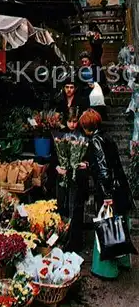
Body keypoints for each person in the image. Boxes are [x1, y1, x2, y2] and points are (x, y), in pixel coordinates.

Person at [79, 109, 134, 279]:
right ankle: (123, 261)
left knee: (106, 226)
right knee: (119, 224)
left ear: (87, 126)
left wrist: (107, 196)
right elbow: (109, 164)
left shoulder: (95, 140)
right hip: (120, 188)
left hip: (110, 190)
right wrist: (90, 166)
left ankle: (105, 270)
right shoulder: (107, 137)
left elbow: (104, 171)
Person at [54, 107, 88, 252]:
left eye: (75, 121)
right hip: (63, 177)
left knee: (76, 209)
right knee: (63, 207)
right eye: (70, 121)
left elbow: (88, 157)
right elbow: (54, 156)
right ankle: (62, 239)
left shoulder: (83, 137)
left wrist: (85, 164)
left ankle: (75, 242)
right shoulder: (60, 136)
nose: (72, 124)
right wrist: (57, 167)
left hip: (77, 179)